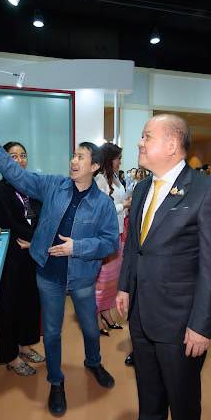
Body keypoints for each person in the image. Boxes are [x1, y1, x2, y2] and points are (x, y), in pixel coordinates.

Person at [0, 112, 119, 418]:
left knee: (90, 328)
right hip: (49, 274)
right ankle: (56, 381)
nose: (73, 161)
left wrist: (77, 247)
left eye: (80, 157)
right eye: (73, 155)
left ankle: (93, 362)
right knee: (51, 332)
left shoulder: (103, 204)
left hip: (82, 277)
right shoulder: (53, 185)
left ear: (94, 166)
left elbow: (110, 243)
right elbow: (18, 177)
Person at [116, 114, 211, 420]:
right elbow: (134, 246)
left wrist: (202, 326)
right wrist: (125, 286)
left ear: (171, 145)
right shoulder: (143, 188)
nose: (139, 142)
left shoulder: (206, 191)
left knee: (183, 403)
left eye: (146, 136)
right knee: (149, 396)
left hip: (180, 323)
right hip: (141, 314)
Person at [0, 142, 44, 376]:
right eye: (13, 156)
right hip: (13, 254)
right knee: (11, 304)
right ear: (4, 160)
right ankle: (11, 356)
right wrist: (37, 238)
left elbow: (43, 217)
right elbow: (9, 222)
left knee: (31, 302)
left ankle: (25, 345)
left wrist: (38, 241)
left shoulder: (34, 185)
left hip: (34, 252)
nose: (20, 160)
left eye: (23, 155)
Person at [94, 143, 131, 336]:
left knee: (112, 279)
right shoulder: (99, 180)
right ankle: (96, 317)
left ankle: (107, 313)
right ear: (109, 159)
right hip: (105, 234)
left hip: (118, 231)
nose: (120, 162)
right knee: (102, 279)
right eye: (118, 159)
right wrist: (124, 205)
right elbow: (101, 211)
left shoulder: (115, 178)